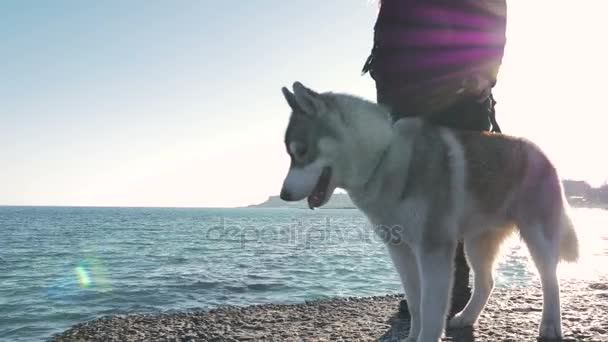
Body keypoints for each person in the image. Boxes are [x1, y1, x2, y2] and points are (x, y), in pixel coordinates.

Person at [362, 0, 507, 316]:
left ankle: (449, 290)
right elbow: (389, 29)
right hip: (406, 96)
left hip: (457, 93)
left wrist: (485, 71)